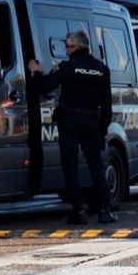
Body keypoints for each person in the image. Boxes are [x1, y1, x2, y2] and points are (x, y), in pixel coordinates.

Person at [28, 30, 116, 225]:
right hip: (92, 122)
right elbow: (107, 107)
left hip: (69, 122)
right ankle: (104, 210)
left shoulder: (67, 67)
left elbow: (43, 86)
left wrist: (35, 71)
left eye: (68, 46)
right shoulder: (101, 69)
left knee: (71, 167)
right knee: (97, 167)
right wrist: (101, 130)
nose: (66, 50)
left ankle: (78, 211)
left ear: (77, 47)